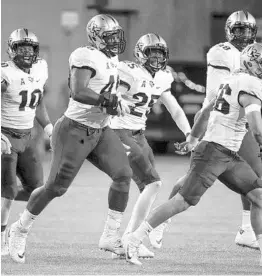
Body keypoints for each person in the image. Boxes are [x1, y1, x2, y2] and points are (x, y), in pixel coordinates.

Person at [8, 14, 133, 264]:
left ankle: (110, 236)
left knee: (123, 175)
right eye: (109, 37)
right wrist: (106, 100)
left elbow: (106, 92)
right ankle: (19, 230)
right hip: (74, 129)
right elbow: (79, 91)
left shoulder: (112, 58)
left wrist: (117, 101)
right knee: (56, 188)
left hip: (100, 129)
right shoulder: (85, 55)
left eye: (115, 36)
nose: (114, 41)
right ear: (96, 37)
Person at [124, 42, 262, 266]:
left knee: (258, 195)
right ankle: (135, 238)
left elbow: (204, 114)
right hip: (215, 153)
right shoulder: (251, 85)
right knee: (182, 202)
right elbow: (256, 127)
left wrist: (192, 140)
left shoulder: (231, 80)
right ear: (251, 64)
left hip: (225, 153)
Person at [149, 10, 261, 250]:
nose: (243, 34)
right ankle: (157, 225)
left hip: (239, 121)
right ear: (229, 30)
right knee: (193, 180)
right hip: (221, 120)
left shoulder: (254, 54)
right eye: (238, 29)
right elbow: (219, 95)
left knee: (255, 178)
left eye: (247, 30)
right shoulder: (222, 52)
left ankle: (247, 230)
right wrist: (193, 136)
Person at [109, 33, 191, 259]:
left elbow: (174, 108)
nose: (156, 58)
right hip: (119, 130)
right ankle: (128, 239)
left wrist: (188, 132)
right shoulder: (131, 71)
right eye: (151, 53)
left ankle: (128, 238)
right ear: (140, 54)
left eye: (160, 53)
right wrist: (119, 100)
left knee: (150, 187)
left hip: (139, 133)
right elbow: (114, 93)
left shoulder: (164, 77)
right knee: (153, 184)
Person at [1, 28, 53, 256]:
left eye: (30, 48)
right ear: (12, 50)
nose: (26, 52)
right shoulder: (6, 73)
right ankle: (1, 236)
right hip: (5, 136)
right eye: (21, 48)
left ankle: (11, 228)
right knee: (9, 190)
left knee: (36, 188)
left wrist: (49, 126)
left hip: (27, 135)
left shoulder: (41, 68)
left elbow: (37, 100)